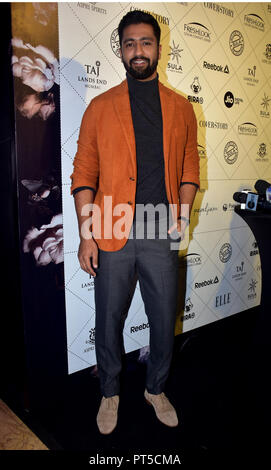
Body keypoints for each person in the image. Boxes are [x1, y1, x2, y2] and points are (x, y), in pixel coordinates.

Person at [71, 10, 200, 435]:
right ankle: (109, 391)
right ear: (122, 51)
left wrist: (181, 213)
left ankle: (155, 388)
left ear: (159, 48)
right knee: (107, 318)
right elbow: (84, 173)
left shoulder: (181, 107)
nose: (138, 51)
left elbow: (188, 168)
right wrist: (87, 233)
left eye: (145, 42)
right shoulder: (100, 107)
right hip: (111, 224)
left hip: (159, 226)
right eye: (129, 44)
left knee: (163, 318)